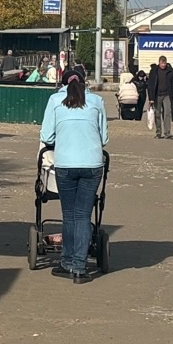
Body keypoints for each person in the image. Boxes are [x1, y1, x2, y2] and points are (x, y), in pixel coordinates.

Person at [39, 67, 109, 281]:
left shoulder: (55, 101)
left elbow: (46, 135)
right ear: (84, 81)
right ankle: (79, 267)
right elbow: (104, 137)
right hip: (92, 163)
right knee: (83, 215)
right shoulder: (96, 101)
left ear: (63, 83)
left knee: (69, 214)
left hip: (66, 164)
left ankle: (67, 261)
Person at [146, 55, 173, 138]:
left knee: (167, 113)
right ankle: (158, 132)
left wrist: (172, 96)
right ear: (159, 63)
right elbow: (150, 85)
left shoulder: (170, 71)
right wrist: (151, 98)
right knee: (157, 114)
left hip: (167, 95)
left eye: (164, 64)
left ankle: (167, 133)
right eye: (162, 64)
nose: (163, 65)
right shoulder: (154, 71)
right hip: (157, 95)